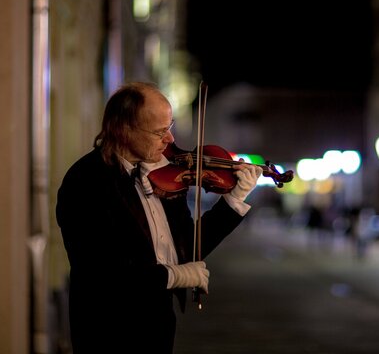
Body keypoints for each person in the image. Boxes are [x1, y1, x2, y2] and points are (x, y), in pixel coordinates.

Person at [56, 81, 263, 354]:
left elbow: (187, 246)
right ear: (124, 130)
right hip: (110, 332)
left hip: (158, 327)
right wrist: (173, 277)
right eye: (159, 131)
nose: (170, 140)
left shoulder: (163, 177)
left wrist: (233, 200)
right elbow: (103, 273)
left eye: (170, 127)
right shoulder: (86, 181)